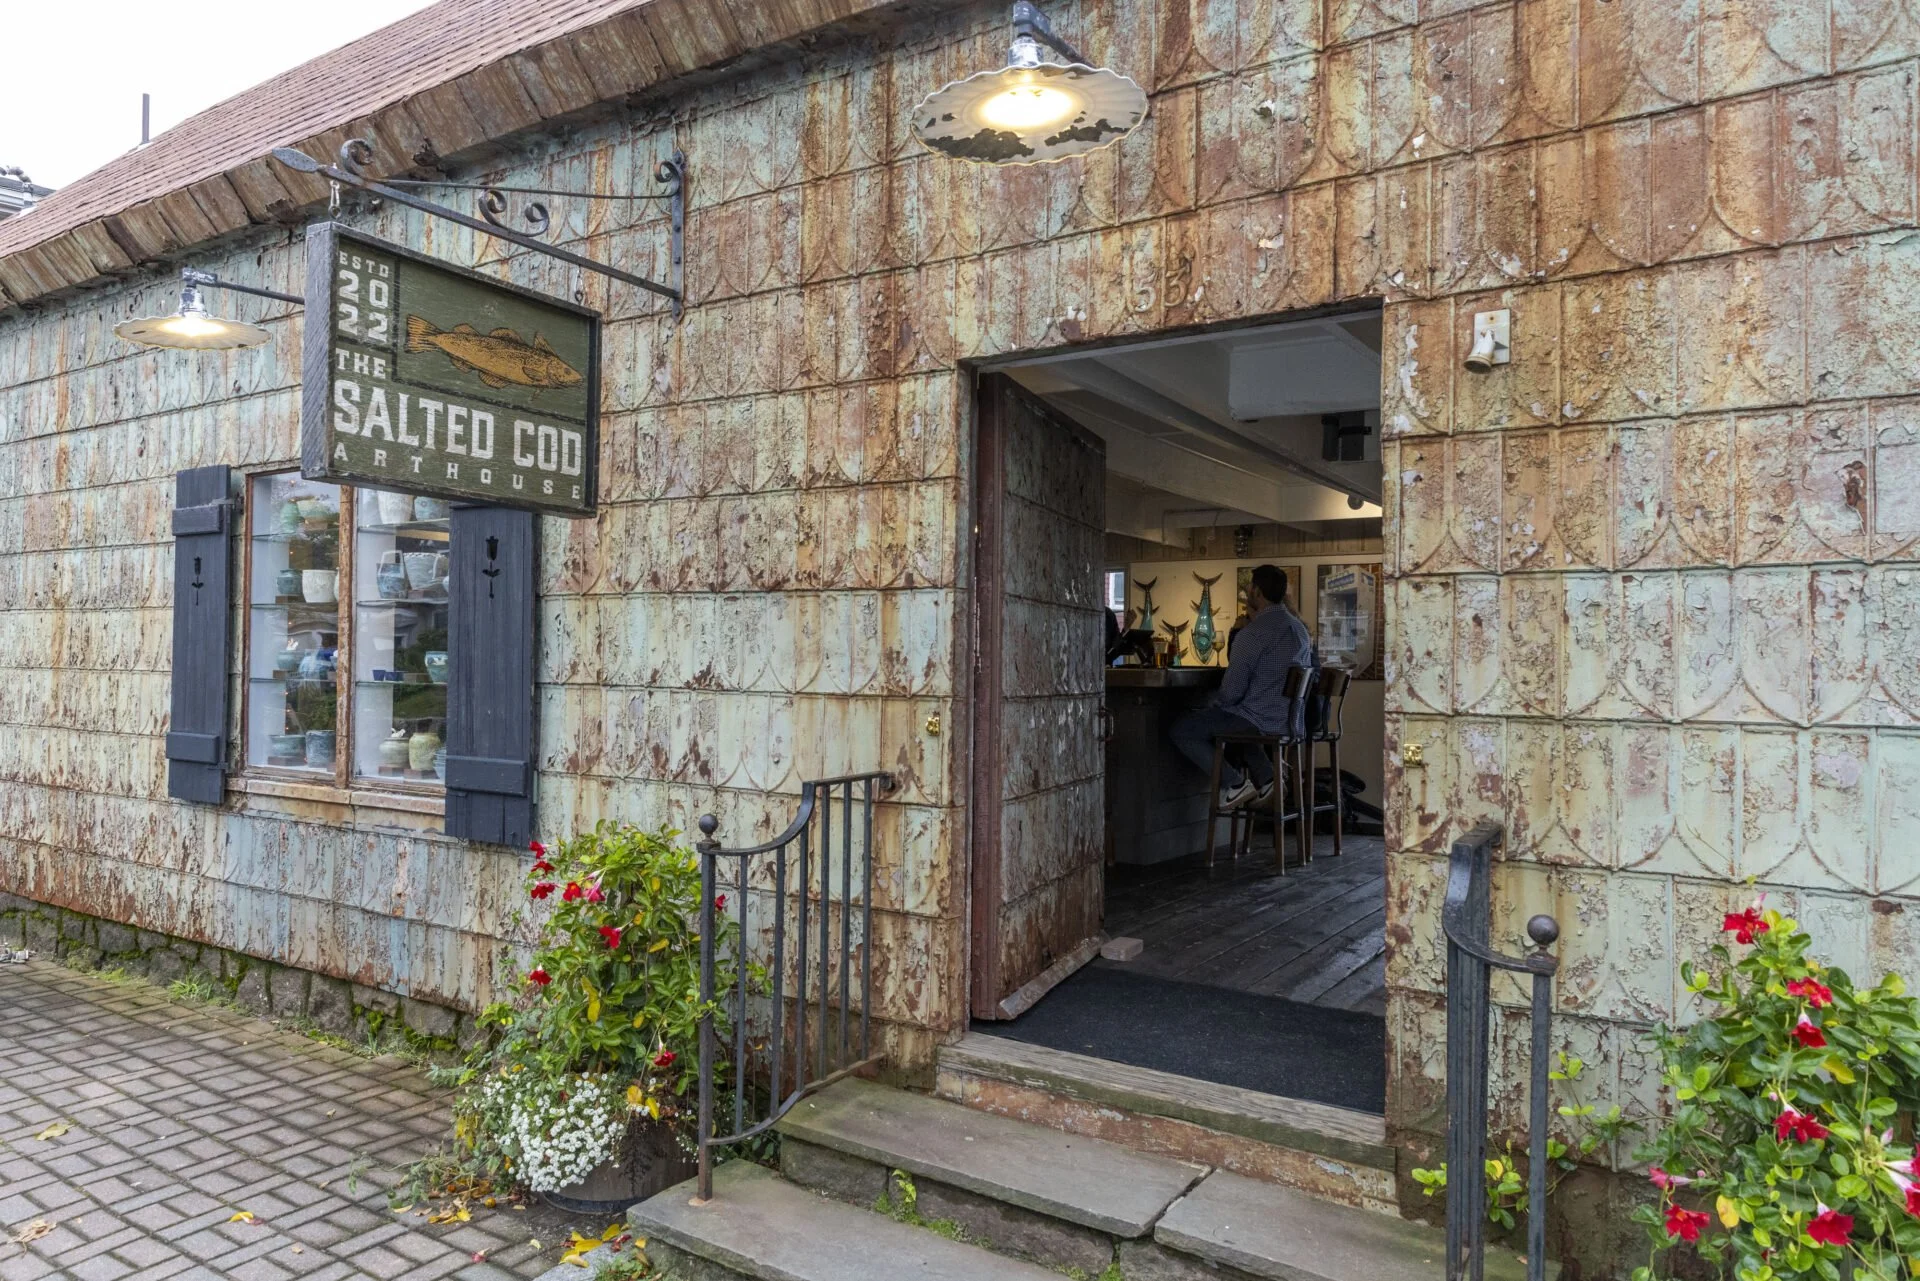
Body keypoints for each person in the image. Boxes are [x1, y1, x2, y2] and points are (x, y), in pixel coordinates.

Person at [1170, 564, 1313, 808]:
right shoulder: (1299, 630)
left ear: (1256, 592)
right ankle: (1269, 779)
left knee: (1183, 729)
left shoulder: (1252, 634)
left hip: (1258, 722)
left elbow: (1231, 693)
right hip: (1289, 721)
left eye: (1250, 587)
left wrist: (1211, 706)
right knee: (1240, 724)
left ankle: (1234, 784)